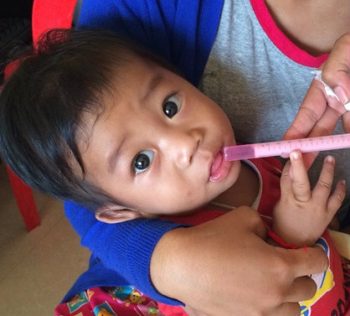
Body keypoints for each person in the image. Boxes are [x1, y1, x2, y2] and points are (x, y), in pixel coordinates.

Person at [0, 29, 349, 316]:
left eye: (170, 106)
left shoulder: (254, 163)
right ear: (121, 211)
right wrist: (293, 234)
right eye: (141, 160)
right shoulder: (189, 280)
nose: (186, 143)